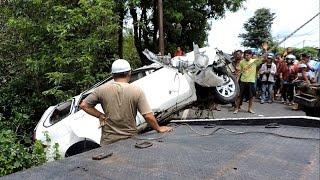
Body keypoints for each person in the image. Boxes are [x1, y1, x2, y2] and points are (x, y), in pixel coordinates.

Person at [80, 59, 172, 146]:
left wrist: (100, 115)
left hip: (108, 142)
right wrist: (159, 129)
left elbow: (84, 105)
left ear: (112, 75)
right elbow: (147, 116)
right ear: (129, 73)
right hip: (129, 141)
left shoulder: (101, 90)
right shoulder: (136, 91)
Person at [234, 49, 262, 114]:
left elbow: (264, 58)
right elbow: (239, 73)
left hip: (251, 82)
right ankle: (237, 108)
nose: (246, 56)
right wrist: (236, 82)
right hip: (243, 81)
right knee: (239, 96)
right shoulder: (241, 62)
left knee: (251, 97)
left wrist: (265, 50)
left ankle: (249, 109)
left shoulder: (255, 61)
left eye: (248, 55)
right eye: (245, 55)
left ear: (251, 55)